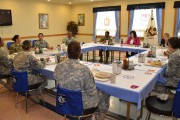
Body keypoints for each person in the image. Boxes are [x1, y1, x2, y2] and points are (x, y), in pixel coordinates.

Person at [54, 41, 110, 120]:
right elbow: (92, 92)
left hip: (65, 101)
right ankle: (101, 116)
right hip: (82, 105)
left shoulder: (58, 66)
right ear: (80, 52)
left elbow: (56, 78)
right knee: (105, 93)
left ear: (67, 52)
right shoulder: (84, 70)